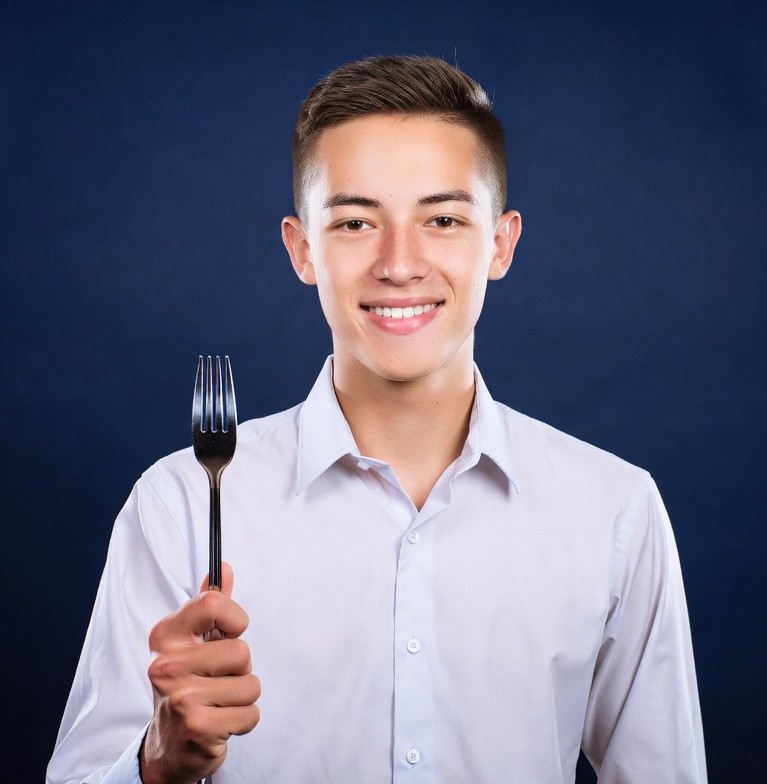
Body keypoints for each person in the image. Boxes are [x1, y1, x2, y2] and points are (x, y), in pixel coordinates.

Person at [47, 55, 707, 784]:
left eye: (444, 219)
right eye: (358, 221)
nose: (399, 263)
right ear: (303, 251)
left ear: (501, 244)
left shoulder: (616, 510)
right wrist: (159, 762)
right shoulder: (177, 505)